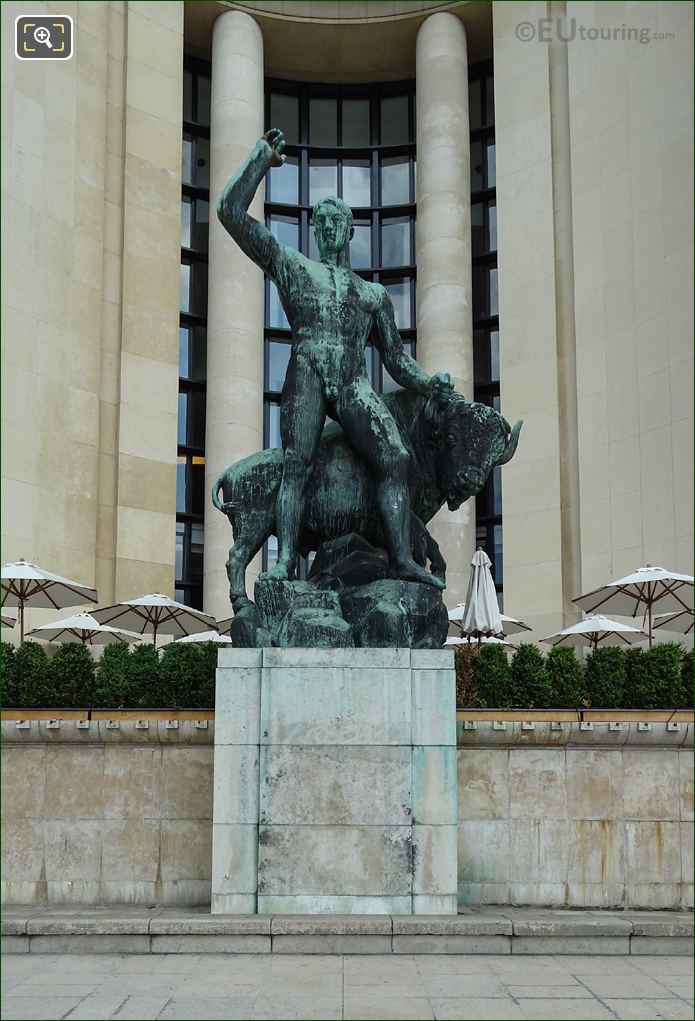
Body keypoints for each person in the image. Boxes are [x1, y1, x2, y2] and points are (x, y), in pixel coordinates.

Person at [217, 127, 454, 589]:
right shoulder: (293, 267)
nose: (327, 228)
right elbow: (229, 212)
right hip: (306, 371)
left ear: (349, 231)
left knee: (397, 459)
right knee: (296, 466)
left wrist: (429, 384)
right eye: (320, 221)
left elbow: (396, 362)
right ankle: (285, 561)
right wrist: (261, 160)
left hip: (352, 384)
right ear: (314, 230)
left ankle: (402, 557)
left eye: (335, 221)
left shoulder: (372, 295)